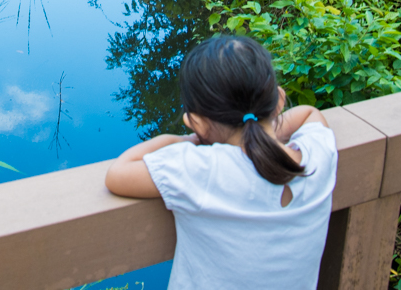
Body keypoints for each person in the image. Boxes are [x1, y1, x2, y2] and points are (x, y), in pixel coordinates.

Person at [105, 35, 338, 289]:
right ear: (279, 100)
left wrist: (188, 140)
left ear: (196, 122)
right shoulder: (318, 157)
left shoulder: (203, 169)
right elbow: (310, 114)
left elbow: (118, 174)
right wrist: (263, 135)